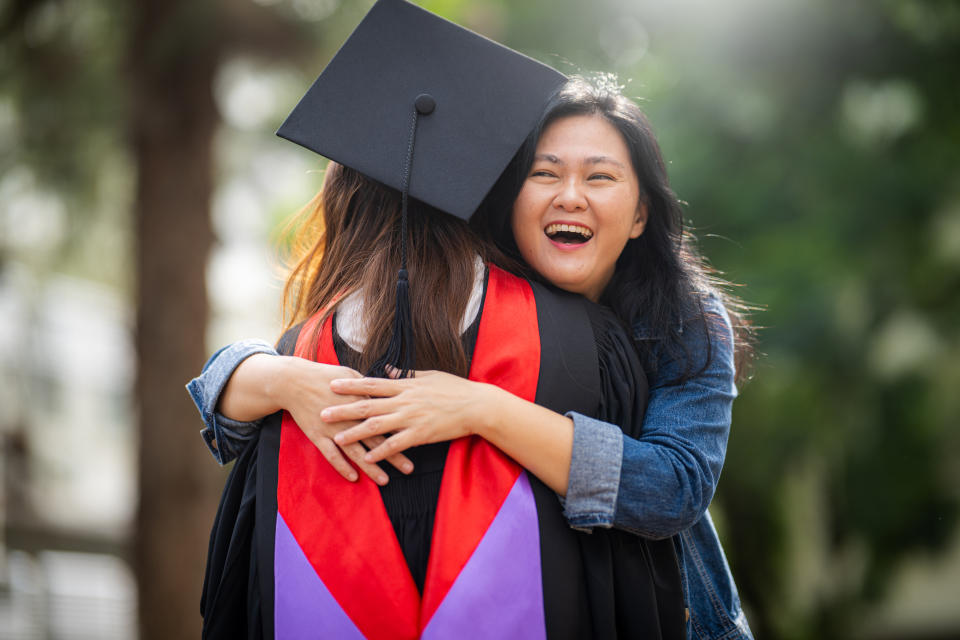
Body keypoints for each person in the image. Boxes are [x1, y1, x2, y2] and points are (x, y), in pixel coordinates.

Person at [192, 75, 757, 640]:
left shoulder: (685, 318)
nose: (570, 195)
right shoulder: (475, 304)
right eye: (545, 172)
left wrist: (482, 407)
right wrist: (284, 376)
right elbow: (230, 399)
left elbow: (672, 488)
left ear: (639, 216)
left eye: (601, 176)